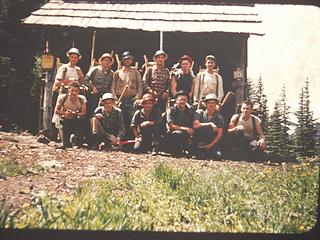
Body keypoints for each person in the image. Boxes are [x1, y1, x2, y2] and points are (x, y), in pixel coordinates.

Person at [51, 48, 84, 141]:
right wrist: (69, 80)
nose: (74, 59)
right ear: (69, 57)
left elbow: (80, 82)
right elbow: (57, 82)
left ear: (78, 59)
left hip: (74, 94)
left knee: (72, 114)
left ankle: (69, 136)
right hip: (64, 93)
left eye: (76, 57)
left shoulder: (78, 69)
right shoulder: (63, 68)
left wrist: (80, 78)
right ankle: (56, 135)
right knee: (60, 113)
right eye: (72, 57)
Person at [111, 51, 142, 140]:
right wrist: (115, 98)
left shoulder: (136, 73)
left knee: (132, 119)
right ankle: (121, 139)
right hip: (120, 99)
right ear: (122, 61)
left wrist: (137, 98)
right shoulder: (118, 73)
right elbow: (113, 86)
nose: (128, 61)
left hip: (132, 100)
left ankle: (132, 139)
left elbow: (140, 86)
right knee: (121, 119)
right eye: (126, 59)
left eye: (129, 59)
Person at [54, 82, 87, 149]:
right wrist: (65, 113)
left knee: (81, 121)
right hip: (65, 120)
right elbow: (56, 111)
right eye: (72, 90)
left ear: (78, 91)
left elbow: (84, 112)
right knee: (65, 145)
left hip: (76, 120)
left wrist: (75, 113)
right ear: (68, 90)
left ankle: (76, 139)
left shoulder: (82, 99)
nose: (74, 92)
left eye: (76, 91)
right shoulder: (63, 97)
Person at [193, 94, 224, 160]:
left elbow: (219, 134)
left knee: (217, 156)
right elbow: (195, 125)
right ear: (206, 104)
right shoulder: (200, 113)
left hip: (211, 143)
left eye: (213, 103)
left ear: (216, 104)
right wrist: (209, 124)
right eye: (209, 103)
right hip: (199, 142)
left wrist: (210, 145)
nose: (211, 105)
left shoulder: (219, 117)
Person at [166, 91, 195, 157]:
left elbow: (193, 122)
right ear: (176, 101)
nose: (182, 102)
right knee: (177, 133)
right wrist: (185, 128)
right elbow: (171, 125)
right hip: (174, 132)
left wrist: (192, 130)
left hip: (187, 133)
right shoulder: (171, 110)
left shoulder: (190, 110)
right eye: (180, 100)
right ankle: (177, 150)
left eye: (184, 100)